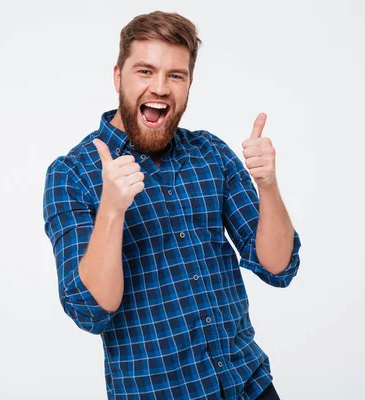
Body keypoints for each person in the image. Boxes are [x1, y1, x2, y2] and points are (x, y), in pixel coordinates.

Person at [42, 11, 302, 400]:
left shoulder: (210, 153)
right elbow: (90, 310)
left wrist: (267, 185)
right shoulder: (72, 175)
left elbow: (277, 266)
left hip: (251, 385)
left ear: (188, 84)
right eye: (145, 71)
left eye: (175, 75)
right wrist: (112, 209)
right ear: (118, 77)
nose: (160, 87)